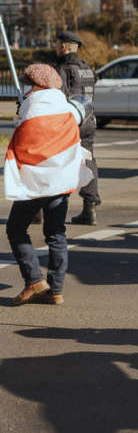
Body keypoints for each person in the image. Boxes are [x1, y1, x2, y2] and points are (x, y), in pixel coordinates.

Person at [5, 64, 91, 306]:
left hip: (36, 180)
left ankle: (34, 280)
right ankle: (55, 289)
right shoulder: (63, 104)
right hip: (61, 180)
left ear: (35, 84)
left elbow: (24, 138)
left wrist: (20, 116)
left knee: (15, 228)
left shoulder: (32, 104)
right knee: (56, 233)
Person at [52, 30, 101, 225]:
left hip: (70, 123)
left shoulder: (64, 69)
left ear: (63, 46)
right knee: (87, 162)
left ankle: (44, 208)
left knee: (54, 162)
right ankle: (90, 208)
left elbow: (58, 97)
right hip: (89, 121)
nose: (55, 48)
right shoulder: (86, 68)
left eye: (57, 45)